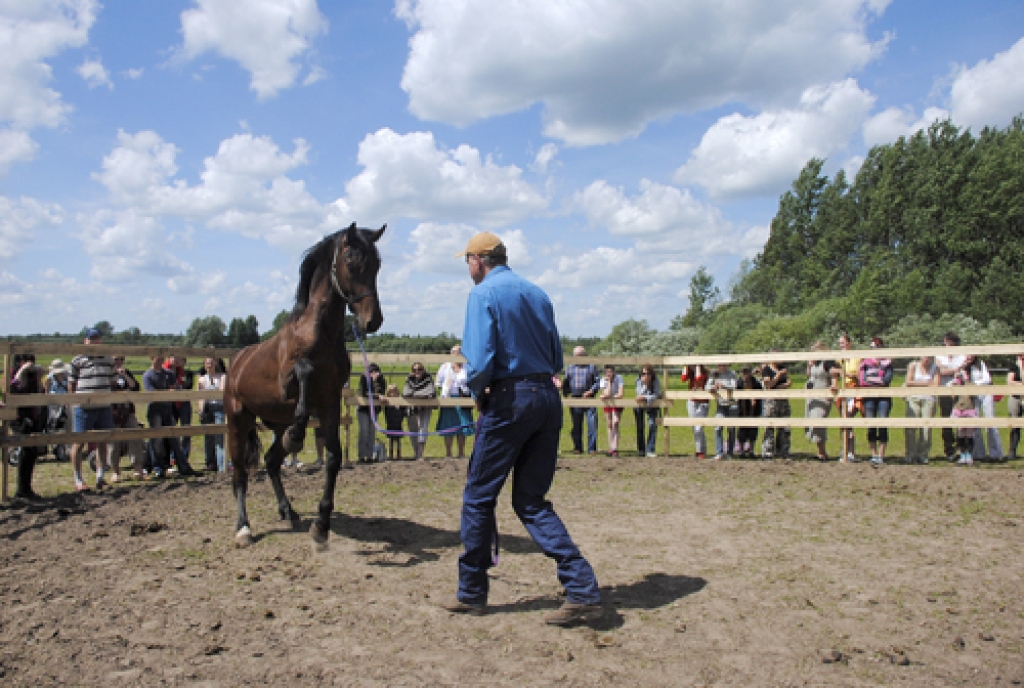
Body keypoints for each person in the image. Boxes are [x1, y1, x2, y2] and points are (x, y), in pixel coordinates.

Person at [443, 231, 601, 626]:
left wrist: (480, 395)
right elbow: (555, 358)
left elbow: (479, 362)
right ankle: (581, 587)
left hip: (509, 402)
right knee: (531, 500)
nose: (467, 268)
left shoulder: (482, 296)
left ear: (479, 260)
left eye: (467, 261)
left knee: (479, 497)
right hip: (546, 399)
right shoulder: (538, 294)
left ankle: (472, 592)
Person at [68, 327, 117, 491]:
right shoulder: (77, 360)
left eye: (97, 338)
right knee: (79, 442)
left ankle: (100, 477)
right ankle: (78, 479)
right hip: (83, 407)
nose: (95, 342)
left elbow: (112, 380)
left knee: (103, 441)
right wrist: (74, 400)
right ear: (85, 341)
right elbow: (71, 383)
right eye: (92, 339)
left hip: (104, 406)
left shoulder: (109, 360)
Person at [143, 354, 199, 478]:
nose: (160, 361)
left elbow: (176, 388)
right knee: (156, 439)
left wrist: (173, 391)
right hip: (155, 410)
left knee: (174, 438)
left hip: (167, 409)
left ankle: (183, 466)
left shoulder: (168, 373)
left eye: (162, 359)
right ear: (152, 358)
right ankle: (158, 468)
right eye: (158, 359)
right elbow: (151, 393)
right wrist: (168, 392)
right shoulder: (148, 375)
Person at [10, 354, 45, 500]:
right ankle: (22, 489)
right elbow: (15, 388)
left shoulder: (33, 376)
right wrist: (22, 371)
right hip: (19, 416)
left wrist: (38, 376)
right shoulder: (13, 374)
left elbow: (41, 391)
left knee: (31, 452)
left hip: (32, 415)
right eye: (26, 361)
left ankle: (25, 488)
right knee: (26, 451)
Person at [108, 355, 145, 481]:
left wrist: (125, 376)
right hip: (113, 411)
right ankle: (116, 471)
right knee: (114, 442)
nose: (119, 362)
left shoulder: (126, 372)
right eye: (116, 360)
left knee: (135, 436)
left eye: (121, 359)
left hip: (127, 410)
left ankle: (138, 469)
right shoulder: (108, 374)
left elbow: (135, 387)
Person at [859, 337, 894, 465]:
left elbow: (886, 380)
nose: (875, 350)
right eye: (873, 347)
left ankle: (881, 454)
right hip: (869, 396)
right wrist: (876, 380)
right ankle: (873, 454)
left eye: (877, 347)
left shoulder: (888, 363)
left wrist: (871, 380)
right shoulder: (865, 363)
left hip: (884, 397)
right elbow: (862, 381)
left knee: (882, 422)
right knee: (871, 425)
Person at [436, 346, 474, 458]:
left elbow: (471, 381)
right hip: (448, 398)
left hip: (463, 398)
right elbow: (438, 382)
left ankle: (461, 453)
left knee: (462, 425)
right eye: (454, 352)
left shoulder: (467, 367)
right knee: (448, 425)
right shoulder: (445, 366)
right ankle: (448, 453)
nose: (456, 354)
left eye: (459, 352)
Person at [965, 355, 1004, 462]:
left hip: (985, 392)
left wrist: (974, 385)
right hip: (973, 395)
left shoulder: (981, 364)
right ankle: (978, 453)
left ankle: (996, 453)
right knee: (975, 423)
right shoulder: (964, 367)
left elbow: (987, 379)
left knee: (990, 422)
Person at [935, 331, 967, 461]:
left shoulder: (961, 355)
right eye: (946, 342)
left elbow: (963, 369)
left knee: (961, 419)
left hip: (959, 389)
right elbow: (940, 370)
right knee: (946, 420)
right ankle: (949, 449)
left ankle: (962, 448)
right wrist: (955, 370)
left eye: (950, 342)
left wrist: (949, 370)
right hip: (944, 389)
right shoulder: (939, 355)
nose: (947, 344)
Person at [903, 353, 939, 464]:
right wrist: (926, 383)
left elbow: (936, 385)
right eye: (924, 357)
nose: (926, 359)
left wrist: (917, 384)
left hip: (928, 399)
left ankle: (923, 454)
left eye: (929, 357)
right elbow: (908, 382)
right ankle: (910, 453)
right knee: (910, 426)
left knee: (926, 428)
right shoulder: (913, 365)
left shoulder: (935, 368)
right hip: (913, 398)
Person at [831, 333, 862, 462]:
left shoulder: (856, 358)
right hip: (842, 391)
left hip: (853, 389)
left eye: (843, 343)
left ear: (849, 343)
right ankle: (846, 450)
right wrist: (835, 384)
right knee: (844, 422)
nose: (841, 346)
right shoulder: (838, 359)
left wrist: (843, 373)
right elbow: (833, 373)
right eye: (840, 344)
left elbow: (858, 374)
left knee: (848, 419)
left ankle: (850, 451)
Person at [563, 347, 600, 454]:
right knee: (576, 425)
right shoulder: (570, 368)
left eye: (581, 355)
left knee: (592, 424)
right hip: (575, 398)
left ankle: (592, 448)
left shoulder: (592, 367)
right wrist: (565, 392)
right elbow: (567, 382)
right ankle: (577, 447)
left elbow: (598, 382)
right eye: (576, 356)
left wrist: (590, 391)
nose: (578, 358)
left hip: (589, 398)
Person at [805, 342, 836, 461]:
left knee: (819, 421)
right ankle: (820, 451)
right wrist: (809, 365)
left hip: (822, 394)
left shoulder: (827, 362)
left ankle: (822, 452)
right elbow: (808, 376)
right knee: (813, 422)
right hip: (812, 395)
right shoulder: (814, 363)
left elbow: (834, 373)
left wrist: (834, 385)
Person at [164, 356, 195, 469]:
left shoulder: (187, 373)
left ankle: (184, 458)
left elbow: (188, 385)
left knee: (186, 430)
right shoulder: (165, 371)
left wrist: (176, 387)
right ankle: (172, 458)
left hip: (184, 403)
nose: (177, 360)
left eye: (179, 358)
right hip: (170, 404)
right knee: (172, 431)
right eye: (174, 358)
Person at [198, 357, 227, 471]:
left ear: (215, 363)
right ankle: (210, 463)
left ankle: (221, 465)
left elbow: (221, 392)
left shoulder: (222, 377)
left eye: (211, 363)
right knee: (208, 437)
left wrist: (208, 394)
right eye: (207, 363)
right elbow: (200, 396)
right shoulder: (202, 379)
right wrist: (201, 410)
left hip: (219, 408)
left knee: (219, 438)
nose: (209, 365)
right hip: (207, 408)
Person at [760, 353, 791, 459]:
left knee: (785, 426)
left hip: (783, 400)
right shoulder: (767, 370)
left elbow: (789, 382)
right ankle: (767, 452)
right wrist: (778, 376)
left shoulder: (783, 368)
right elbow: (768, 385)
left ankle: (783, 451)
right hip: (771, 401)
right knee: (769, 425)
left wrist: (780, 385)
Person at [403, 362, 436, 460]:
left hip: (425, 408)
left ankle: (420, 454)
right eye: (414, 370)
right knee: (413, 430)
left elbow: (430, 391)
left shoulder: (428, 379)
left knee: (423, 429)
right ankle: (415, 452)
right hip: (412, 408)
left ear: (423, 370)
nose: (417, 372)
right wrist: (420, 395)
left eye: (419, 369)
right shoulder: (409, 379)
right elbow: (405, 392)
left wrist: (415, 395)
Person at [706, 363, 739, 460]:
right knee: (717, 427)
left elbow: (734, 386)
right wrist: (713, 387)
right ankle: (719, 452)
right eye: (720, 365)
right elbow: (707, 386)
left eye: (724, 365)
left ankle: (730, 453)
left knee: (731, 429)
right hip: (721, 404)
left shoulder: (732, 373)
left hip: (732, 404)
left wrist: (723, 385)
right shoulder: (714, 374)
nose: (722, 367)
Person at [357, 362, 386, 463]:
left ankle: (369, 455)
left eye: (375, 371)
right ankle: (362, 455)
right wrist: (377, 396)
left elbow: (382, 391)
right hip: (363, 409)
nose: (373, 373)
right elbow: (363, 393)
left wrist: (375, 382)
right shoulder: (363, 379)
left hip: (374, 410)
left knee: (371, 433)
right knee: (364, 432)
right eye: (371, 371)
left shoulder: (381, 380)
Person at [681, 365, 709, 458]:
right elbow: (683, 378)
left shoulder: (704, 373)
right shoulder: (690, 373)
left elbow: (699, 378)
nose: (692, 366)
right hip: (692, 401)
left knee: (699, 427)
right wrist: (685, 365)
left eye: (694, 364)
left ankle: (700, 451)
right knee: (695, 427)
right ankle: (701, 450)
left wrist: (697, 367)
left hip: (703, 402)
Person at [950, 371, 977, 465]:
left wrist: (966, 380)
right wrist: (956, 380)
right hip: (958, 410)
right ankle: (962, 454)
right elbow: (953, 395)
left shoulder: (970, 384)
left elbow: (973, 394)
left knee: (969, 433)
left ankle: (969, 454)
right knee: (960, 432)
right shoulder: (955, 384)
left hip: (969, 410)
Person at [634, 364, 661, 457]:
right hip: (639, 405)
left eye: (648, 373)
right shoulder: (638, 381)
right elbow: (638, 394)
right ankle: (641, 449)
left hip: (652, 405)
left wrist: (645, 397)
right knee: (640, 426)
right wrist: (645, 385)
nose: (646, 376)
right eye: (644, 373)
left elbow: (656, 394)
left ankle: (650, 449)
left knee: (653, 425)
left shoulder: (656, 381)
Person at [736, 367, 762, 459]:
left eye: (747, 373)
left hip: (753, 410)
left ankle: (751, 450)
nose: (745, 375)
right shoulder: (739, 383)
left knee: (753, 430)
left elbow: (760, 392)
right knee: (742, 430)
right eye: (744, 373)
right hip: (742, 409)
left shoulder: (756, 383)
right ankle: (742, 450)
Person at [599, 364, 624, 457]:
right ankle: (611, 447)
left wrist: (609, 396)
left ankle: (615, 448)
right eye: (607, 372)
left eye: (611, 371)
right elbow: (606, 393)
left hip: (617, 403)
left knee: (615, 422)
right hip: (608, 403)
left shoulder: (619, 378)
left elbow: (621, 394)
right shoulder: (603, 380)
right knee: (609, 424)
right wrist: (609, 382)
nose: (609, 373)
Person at [1008, 350, 1024, 461]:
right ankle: (1012, 450)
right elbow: (1010, 381)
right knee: (1015, 424)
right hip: (1016, 396)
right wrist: (1021, 384)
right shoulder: (1014, 366)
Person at [383, 384, 405, 460]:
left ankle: (399, 454)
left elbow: (403, 412)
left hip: (398, 422)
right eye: (391, 392)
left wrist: (400, 411)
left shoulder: (399, 402)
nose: (393, 394)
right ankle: (391, 454)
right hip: (391, 422)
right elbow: (386, 413)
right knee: (391, 439)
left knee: (398, 440)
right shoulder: (387, 403)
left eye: (394, 392)